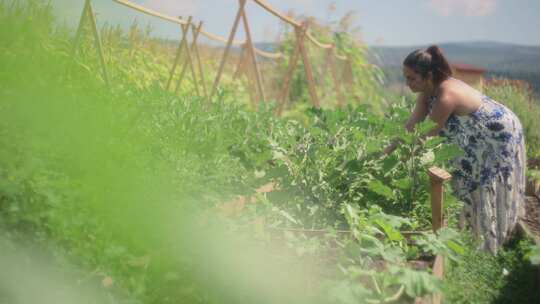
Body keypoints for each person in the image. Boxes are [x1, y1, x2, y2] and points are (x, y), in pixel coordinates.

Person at [384, 45, 526, 253]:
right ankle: (470, 240)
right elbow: (412, 126)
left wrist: (395, 165)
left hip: (498, 134)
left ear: (429, 75)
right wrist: (386, 152)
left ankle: (488, 248)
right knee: (463, 177)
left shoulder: (446, 95)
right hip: (475, 135)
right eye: (406, 78)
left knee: (482, 183)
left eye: (412, 78)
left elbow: (425, 136)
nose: (408, 83)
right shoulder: (427, 90)